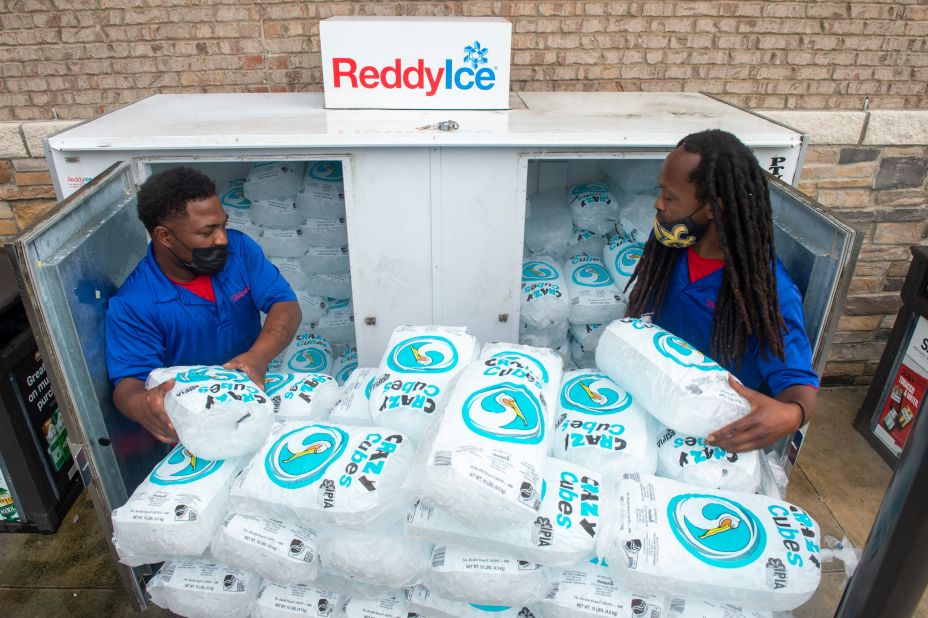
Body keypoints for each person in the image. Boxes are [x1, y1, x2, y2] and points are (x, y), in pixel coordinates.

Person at [626, 129, 818, 453]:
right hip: (655, 407)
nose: (658, 204)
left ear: (714, 208)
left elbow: (799, 389)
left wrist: (790, 415)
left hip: (707, 440)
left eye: (670, 197)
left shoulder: (769, 293)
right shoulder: (673, 248)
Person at [105, 166, 301, 443]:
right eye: (207, 231)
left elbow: (285, 304)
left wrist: (258, 356)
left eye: (223, 224)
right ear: (164, 236)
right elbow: (129, 384)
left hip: (255, 400)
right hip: (197, 430)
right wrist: (145, 405)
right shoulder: (134, 304)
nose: (222, 238)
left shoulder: (240, 251)